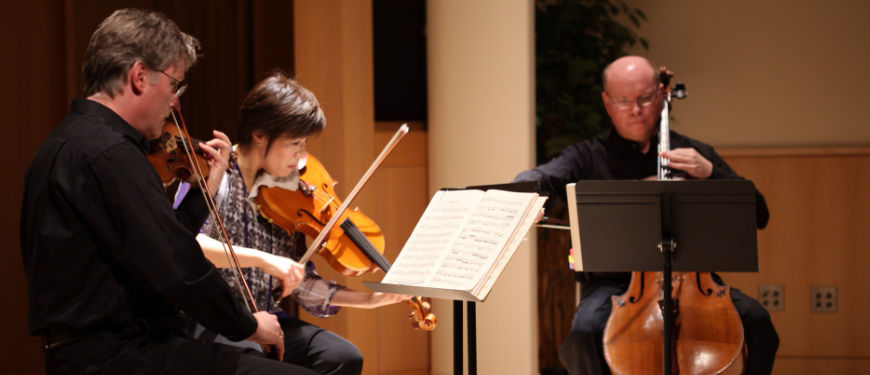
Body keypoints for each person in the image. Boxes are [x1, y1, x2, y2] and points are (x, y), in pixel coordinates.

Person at [19, 8, 319, 374]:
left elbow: (152, 246)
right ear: (140, 76)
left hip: (91, 353)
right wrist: (249, 325)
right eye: (175, 84)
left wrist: (199, 194)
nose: (175, 101)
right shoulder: (111, 155)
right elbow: (178, 268)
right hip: (119, 357)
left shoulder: (62, 144)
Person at [515, 56, 779, 375]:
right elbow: (543, 176)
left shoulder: (695, 155)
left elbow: (759, 214)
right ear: (607, 103)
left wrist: (711, 173)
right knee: (584, 332)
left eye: (644, 98)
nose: (636, 110)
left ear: (661, 95)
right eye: (624, 101)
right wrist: (524, 192)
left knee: (758, 321)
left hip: (696, 284)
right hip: (613, 287)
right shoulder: (585, 157)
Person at [192, 71, 409, 375]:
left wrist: (369, 300)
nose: (302, 155)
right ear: (259, 135)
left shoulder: (291, 195)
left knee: (343, 357)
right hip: (215, 322)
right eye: (294, 143)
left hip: (267, 320)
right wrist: (265, 260)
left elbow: (300, 281)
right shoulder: (214, 174)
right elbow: (189, 244)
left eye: (305, 143)